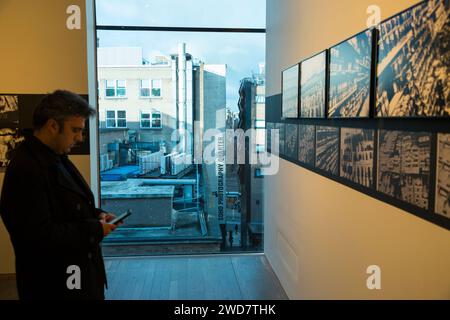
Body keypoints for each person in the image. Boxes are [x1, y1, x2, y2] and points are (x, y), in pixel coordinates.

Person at [0, 90, 119, 300]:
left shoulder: (54, 156)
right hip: (55, 284)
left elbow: (69, 205)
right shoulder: (27, 168)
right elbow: (37, 236)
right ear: (53, 126)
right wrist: (94, 228)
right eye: (75, 130)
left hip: (72, 276)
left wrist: (97, 214)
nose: (80, 138)